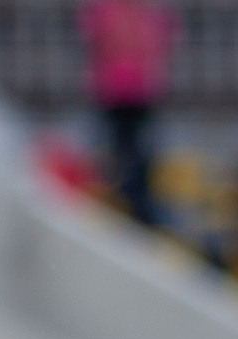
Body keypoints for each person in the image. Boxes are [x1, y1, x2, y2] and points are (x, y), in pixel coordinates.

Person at [81, 0, 171, 227]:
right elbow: (105, 42)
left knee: (139, 154)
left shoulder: (147, 12)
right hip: (115, 91)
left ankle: (136, 203)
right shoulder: (108, 11)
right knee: (118, 151)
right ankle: (119, 199)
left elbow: (155, 43)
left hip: (139, 92)